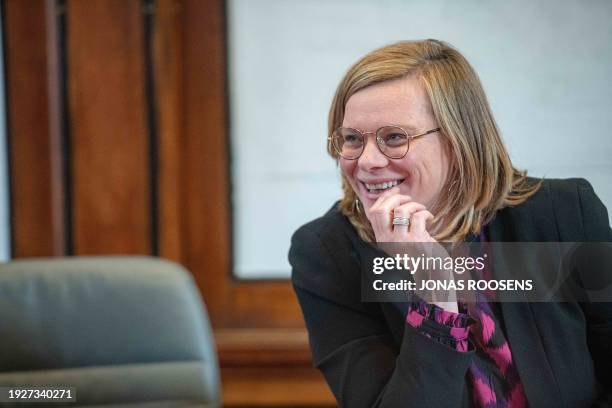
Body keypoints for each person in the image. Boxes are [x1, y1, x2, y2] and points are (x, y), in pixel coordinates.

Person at [289, 39, 612, 407]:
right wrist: (435, 292)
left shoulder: (562, 215)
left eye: (394, 137)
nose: (367, 161)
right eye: (352, 139)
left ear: (460, 139)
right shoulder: (328, 251)